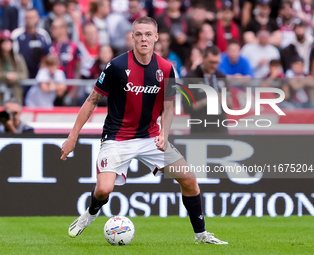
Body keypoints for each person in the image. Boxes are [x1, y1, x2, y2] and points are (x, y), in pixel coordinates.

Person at [60, 16, 228, 245]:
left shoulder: (166, 68)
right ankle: (91, 212)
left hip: (150, 137)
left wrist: (164, 135)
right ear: (132, 37)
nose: (143, 39)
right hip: (117, 138)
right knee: (103, 189)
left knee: (189, 179)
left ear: (156, 37)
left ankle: (201, 235)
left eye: (148, 34)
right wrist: (73, 137)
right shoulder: (117, 66)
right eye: (138, 34)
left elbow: (168, 107)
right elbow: (91, 100)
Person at [183, 45, 231, 134]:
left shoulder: (221, 76)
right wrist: (208, 101)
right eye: (211, 62)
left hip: (220, 128)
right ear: (203, 58)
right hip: (200, 129)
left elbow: (230, 106)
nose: (214, 66)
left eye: (217, 63)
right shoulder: (191, 78)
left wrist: (226, 99)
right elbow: (187, 107)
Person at [0, 30, 29, 106]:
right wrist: (6, 75)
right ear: (0, 43)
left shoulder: (18, 58)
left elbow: (25, 74)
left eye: (9, 41)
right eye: (4, 41)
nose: (6, 43)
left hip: (14, 92)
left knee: (13, 114)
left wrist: (15, 76)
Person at [11, 9, 51, 81]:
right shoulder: (17, 34)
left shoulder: (43, 34)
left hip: (40, 74)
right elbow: (14, 54)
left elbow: (48, 54)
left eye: (32, 17)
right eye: (27, 17)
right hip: (22, 72)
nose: (30, 20)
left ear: (38, 18)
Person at [50, 17, 81, 105]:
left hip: (69, 91)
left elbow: (78, 70)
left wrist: (74, 91)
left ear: (64, 29)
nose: (51, 29)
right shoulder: (50, 47)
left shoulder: (73, 47)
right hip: (53, 91)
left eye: (54, 27)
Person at [155, 0, 195, 65]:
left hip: (184, 53)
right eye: (171, 1)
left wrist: (185, 38)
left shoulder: (187, 19)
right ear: (167, 3)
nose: (173, 4)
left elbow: (193, 38)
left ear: (179, 3)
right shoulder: (159, 19)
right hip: (165, 53)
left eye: (175, 1)